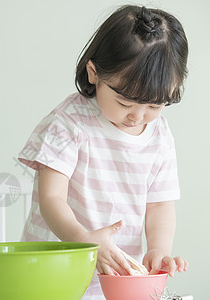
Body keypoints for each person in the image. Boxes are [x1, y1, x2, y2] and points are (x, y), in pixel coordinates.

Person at [18, 5, 189, 299]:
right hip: (53, 271)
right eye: (125, 103)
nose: (138, 116)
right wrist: (84, 240)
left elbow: (160, 205)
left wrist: (159, 250)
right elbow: (51, 198)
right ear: (94, 73)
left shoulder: (159, 134)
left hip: (115, 277)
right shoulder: (70, 122)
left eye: (155, 106)